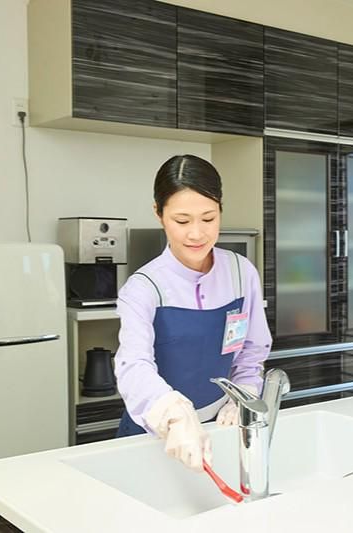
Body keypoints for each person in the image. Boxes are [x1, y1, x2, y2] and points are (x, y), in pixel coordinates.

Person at [114, 154, 271, 473]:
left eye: (208, 218)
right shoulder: (144, 287)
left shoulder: (241, 272)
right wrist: (173, 413)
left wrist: (243, 394)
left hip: (222, 429)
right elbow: (133, 364)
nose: (197, 234)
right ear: (159, 214)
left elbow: (251, 349)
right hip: (154, 435)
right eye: (182, 221)